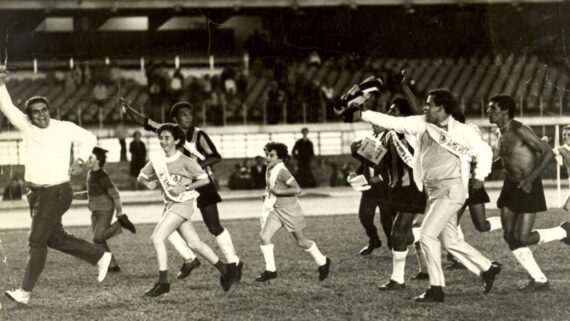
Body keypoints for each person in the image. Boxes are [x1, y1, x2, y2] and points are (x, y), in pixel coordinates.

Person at [335, 84, 501, 303]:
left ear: (441, 109)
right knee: (450, 241)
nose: (424, 108)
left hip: (451, 190)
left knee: (427, 235)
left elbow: (484, 151)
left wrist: (480, 176)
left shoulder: (461, 130)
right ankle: (487, 268)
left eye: (429, 105)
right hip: (433, 191)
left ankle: (436, 288)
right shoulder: (422, 123)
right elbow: (393, 122)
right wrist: (362, 113)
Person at [0, 72, 113, 305]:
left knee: (36, 241)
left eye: (44, 110)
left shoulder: (64, 127)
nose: (41, 115)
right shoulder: (26, 127)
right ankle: (100, 256)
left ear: (49, 110)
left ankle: (24, 292)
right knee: (55, 239)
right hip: (36, 194)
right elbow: (7, 106)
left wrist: (81, 160)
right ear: (29, 116)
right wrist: (0, 83)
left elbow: (90, 137)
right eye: (36, 112)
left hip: (56, 191)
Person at [122, 99, 242, 289]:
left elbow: (215, 156)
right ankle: (189, 258)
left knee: (213, 226)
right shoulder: (168, 131)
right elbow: (145, 122)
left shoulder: (198, 134)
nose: (188, 117)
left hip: (202, 184)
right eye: (184, 115)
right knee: (167, 227)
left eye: (190, 114)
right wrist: (128, 109)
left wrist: (192, 170)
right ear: (176, 119)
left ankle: (233, 262)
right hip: (180, 190)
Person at [138, 123, 234, 296]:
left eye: (167, 138)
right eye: (161, 138)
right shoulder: (157, 160)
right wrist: (147, 183)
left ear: (176, 140)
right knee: (194, 243)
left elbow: (204, 180)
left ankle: (163, 282)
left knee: (157, 238)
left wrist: (186, 186)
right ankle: (225, 269)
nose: (163, 141)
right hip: (171, 204)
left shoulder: (186, 161)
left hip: (183, 204)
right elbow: (141, 177)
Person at [487, 94, 570, 292]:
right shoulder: (501, 132)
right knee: (509, 235)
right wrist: (484, 167)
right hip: (511, 185)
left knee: (522, 237)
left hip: (528, 186)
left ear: (505, 111)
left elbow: (548, 152)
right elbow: (507, 159)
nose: (488, 112)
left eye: (493, 109)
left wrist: (528, 180)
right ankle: (539, 279)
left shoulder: (520, 128)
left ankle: (564, 231)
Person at [255, 142, 331, 282]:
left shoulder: (283, 171)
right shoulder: (269, 168)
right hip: (276, 211)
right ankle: (270, 271)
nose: (267, 157)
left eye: (271, 155)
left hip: (291, 211)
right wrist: (267, 195)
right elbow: (271, 187)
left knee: (302, 242)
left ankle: (323, 261)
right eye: (266, 154)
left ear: (281, 158)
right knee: (264, 237)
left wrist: (278, 191)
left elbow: (297, 190)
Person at [377, 98, 427, 291]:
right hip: (395, 191)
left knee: (397, 235)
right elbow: (380, 161)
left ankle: (397, 280)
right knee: (401, 236)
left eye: (393, 110)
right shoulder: (388, 135)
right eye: (389, 109)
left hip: (412, 189)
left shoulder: (413, 132)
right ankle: (424, 233)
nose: (389, 113)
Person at [73, 147, 137, 272]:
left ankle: (119, 224)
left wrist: (119, 212)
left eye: (90, 157)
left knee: (98, 238)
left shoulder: (102, 175)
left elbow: (115, 194)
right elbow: (90, 194)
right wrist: (73, 195)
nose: (88, 160)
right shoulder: (90, 174)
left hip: (105, 211)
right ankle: (113, 265)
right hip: (94, 211)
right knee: (99, 241)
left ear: (98, 160)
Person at [348, 124, 394, 256]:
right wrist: (356, 174)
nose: (373, 126)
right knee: (364, 217)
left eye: (376, 125)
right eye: (372, 124)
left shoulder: (390, 140)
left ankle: (392, 244)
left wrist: (380, 178)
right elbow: (366, 163)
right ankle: (374, 240)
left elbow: (392, 166)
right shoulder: (370, 139)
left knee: (386, 220)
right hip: (369, 191)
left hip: (385, 190)